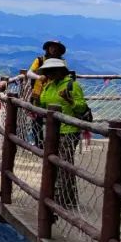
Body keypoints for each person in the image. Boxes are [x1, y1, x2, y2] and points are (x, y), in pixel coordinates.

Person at [32, 57, 91, 212]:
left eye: (51, 71)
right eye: (47, 71)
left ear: (60, 71)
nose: (49, 74)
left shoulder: (72, 85)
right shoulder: (48, 86)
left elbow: (81, 108)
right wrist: (36, 100)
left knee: (64, 163)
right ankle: (62, 197)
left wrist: (70, 101)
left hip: (69, 131)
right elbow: (43, 106)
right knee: (54, 163)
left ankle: (66, 199)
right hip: (51, 131)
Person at [25, 40, 67, 145]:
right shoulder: (40, 60)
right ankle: (39, 143)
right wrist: (39, 77)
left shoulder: (62, 62)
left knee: (54, 119)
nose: (53, 49)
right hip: (38, 94)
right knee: (37, 120)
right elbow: (29, 73)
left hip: (55, 94)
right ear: (47, 48)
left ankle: (52, 143)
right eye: (51, 47)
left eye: (56, 47)